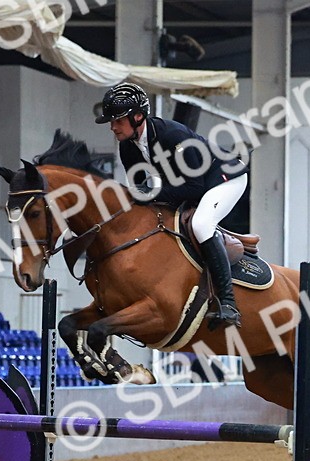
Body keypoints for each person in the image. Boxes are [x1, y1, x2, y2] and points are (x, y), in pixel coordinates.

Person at [96, 82, 247, 329]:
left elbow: (194, 187)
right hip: (191, 184)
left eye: (118, 120)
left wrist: (149, 194)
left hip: (225, 178)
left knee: (201, 224)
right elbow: (138, 192)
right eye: (111, 121)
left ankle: (229, 303)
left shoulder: (172, 136)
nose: (113, 127)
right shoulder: (127, 147)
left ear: (137, 117)